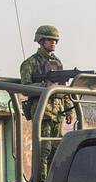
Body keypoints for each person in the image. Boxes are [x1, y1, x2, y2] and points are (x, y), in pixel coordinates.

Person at [19, 24, 67, 173]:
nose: (53, 43)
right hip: (42, 112)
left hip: (57, 112)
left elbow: (63, 88)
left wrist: (68, 109)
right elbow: (25, 87)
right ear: (41, 41)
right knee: (43, 150)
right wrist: (44, 85)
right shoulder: (30, 63)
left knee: (57, 150)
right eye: (50, 40)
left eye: (55, 40)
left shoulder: (57, 62)